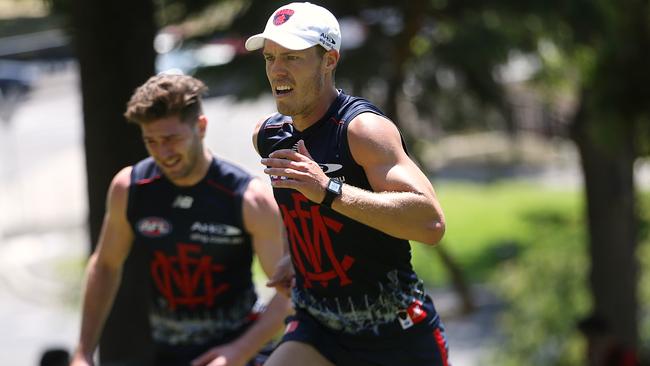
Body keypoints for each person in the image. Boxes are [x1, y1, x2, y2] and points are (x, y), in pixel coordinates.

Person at [245, 3, 449, 365]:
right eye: (270, 57)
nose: (277, 70)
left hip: (394, 334)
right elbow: (304, 215)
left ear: (329, 60)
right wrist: (298, 257)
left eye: (292, 57)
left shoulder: (363, 131)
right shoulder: (270, 135)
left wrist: (328, 190)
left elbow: (430, 223)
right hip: (319, 329)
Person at [70, 74, 292, 366]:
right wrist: (84, 351)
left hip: (239, 353)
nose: (163, 153)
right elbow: (105, 266)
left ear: (200, 127)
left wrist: (239, 350)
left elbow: (290, 291)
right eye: (151, 141)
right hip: (166, 354)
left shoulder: (249, 199)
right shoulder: (131, 188)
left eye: (171, 139)